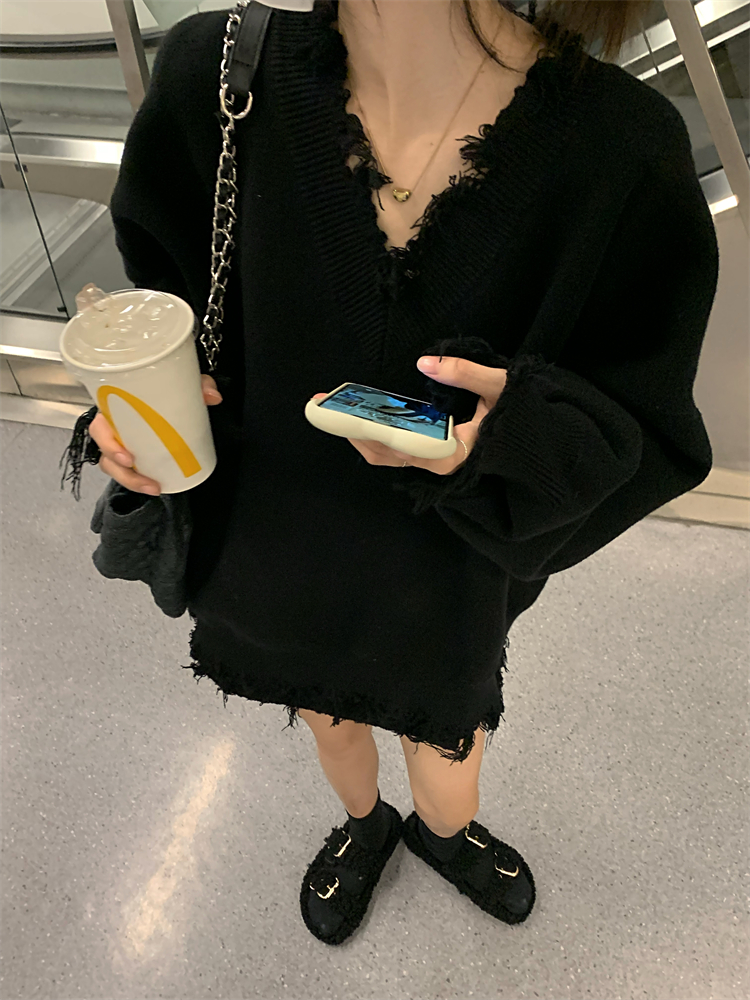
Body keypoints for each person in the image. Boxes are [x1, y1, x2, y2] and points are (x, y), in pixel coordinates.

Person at [78, 0, 719, 945]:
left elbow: (646, 424)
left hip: (445, 579)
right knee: (329, 725)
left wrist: (509, 438)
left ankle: (443, 835)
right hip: (275, 555)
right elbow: (171, 308)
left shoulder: (619, 146)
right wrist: (135, 418)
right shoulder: (214, 76)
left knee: (449, 758)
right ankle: (365, 825)